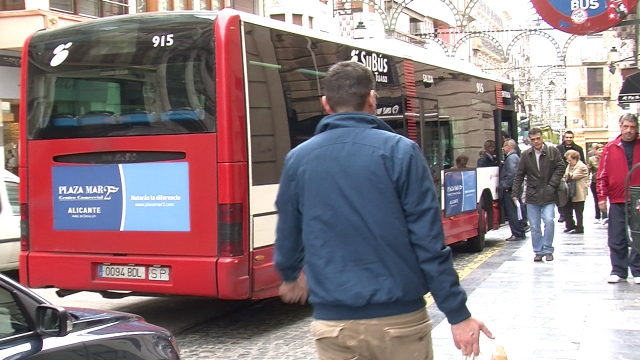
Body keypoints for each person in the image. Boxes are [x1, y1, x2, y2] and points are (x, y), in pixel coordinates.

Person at [274, 61, 492, 360]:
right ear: (372, 99)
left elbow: (288, 229)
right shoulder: (401, 152)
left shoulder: (298, 159)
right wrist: (457, 314)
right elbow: (428, 243)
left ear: (325, 104)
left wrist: (289, 275)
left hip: (334, 325)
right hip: (399, 323)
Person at [596, 113, 640, 284]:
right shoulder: (611, 147)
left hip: (638, 199)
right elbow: (602, 174)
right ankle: (619, 270)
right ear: (620, 127)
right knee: (616, 236)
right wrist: (601, 197)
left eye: (632, 127)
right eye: (626, 127)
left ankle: (637, 269)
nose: (629, 130)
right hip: (617, 199)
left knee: (638, 235)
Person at [512, 127, 565, 262]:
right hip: (532, 194)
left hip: (549, 193)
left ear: (542, 138)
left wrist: (552, 184)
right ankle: (538, 251)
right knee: (534, 226)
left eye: (538, 139)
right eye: (533, 140)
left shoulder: (552, 151)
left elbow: (561, 167)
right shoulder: (526, 155)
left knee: (549, 220)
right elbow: (519, 174)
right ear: (530, 140)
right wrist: (515, 193)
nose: (536, 142)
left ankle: (548, 249)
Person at [499, 139, 526, 241]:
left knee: (512, 212)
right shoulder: (514, 157)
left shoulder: (511, 158)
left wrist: (506, 186)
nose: (503, 149)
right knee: (516, 210)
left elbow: (512, 174)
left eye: (504, 147)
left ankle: (517, 233)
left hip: (510, 190)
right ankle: (519, 231)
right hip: (513, 188)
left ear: (508, 147)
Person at [556, 131, 585, 223]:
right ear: (564, 138)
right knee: (561, 196)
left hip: (574, 176)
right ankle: (563, 215)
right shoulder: (558, 149)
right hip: (562, 176)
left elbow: (582, 161)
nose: (569, 139)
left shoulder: (578, 149)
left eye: (570, 137)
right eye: (567, 137)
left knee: (574, 198)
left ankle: (574, 221)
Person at [562, 149, 588, 234]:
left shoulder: (581, 166)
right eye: (567, 160)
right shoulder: (570, 166)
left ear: (575, 158)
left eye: (570, 160)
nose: (568, 162)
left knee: (578, 212)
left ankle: (580, 227)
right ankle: (570, 225)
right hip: (570, 192)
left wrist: (565, 175)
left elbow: (572, 176)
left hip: (579, 192)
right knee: (566, 209)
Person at [588, 143, 607, 224]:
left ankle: (605, 216)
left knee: (605, 200)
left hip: (606, 182)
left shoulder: (607, 158)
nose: (601, 151)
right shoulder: (592, 159)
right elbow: (588, 170)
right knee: (597, 199)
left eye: (602, 149)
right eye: (599, 150)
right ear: (596, 151)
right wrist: (587, 180)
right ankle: (597, 216)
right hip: (595, 182)